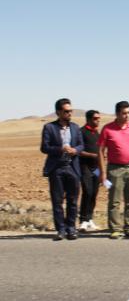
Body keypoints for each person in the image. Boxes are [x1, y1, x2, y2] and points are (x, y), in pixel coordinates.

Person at [97, 101, 129, 239]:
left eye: (128, 113)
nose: (127, 115)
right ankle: (115, 228)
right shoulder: (108, 129)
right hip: (115, 169)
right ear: (117, 113)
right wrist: (102, 173)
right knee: (114, 200)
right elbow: (101, 151)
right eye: (124, 113)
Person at [40, 98, 84, 241]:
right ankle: (60, 230)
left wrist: (74, 150)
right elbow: (44, 147)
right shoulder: (49, 128)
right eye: (66, 111)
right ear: (58, 112)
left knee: (72, 200)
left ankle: (71, 228)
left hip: (72, 167)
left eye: (71, 111)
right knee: (57, 201)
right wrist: (60, 149)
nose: (69, 113)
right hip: (57, 169)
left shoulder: (76, 128)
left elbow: (81, 145)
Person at [78, 110, 101, 232]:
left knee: (94, 193)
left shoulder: (97, 133)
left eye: (99, 118)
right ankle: (83, 220)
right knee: (87, 191)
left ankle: (90, 218)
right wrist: (91, 155)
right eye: (95, 118)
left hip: (96, 168)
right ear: (88, 119)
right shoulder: (81, 132)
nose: (98, 120)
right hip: (85, 167)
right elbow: (79, 150)